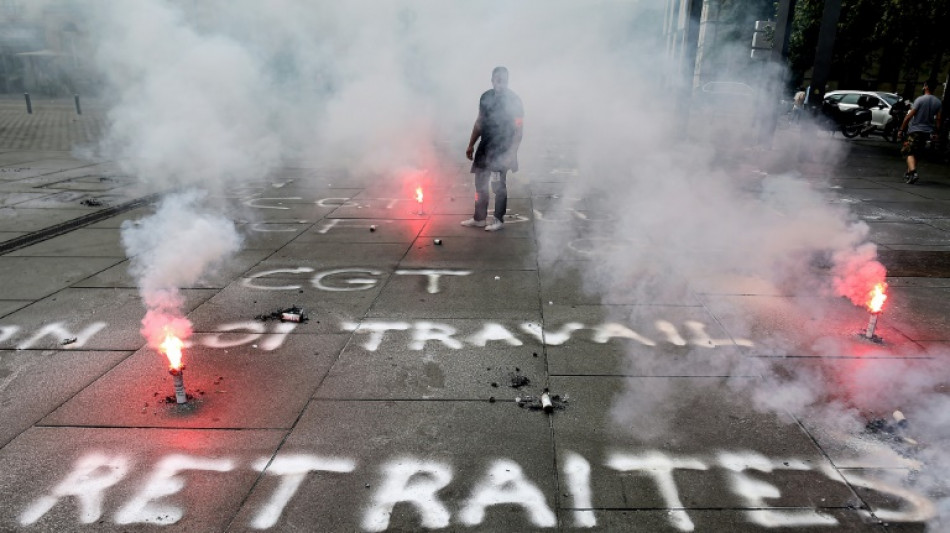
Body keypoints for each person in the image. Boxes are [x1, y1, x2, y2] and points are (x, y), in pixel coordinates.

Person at [462, 66, 524, 231]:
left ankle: (498, 219)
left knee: (498, 186)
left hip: (502, 150)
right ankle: (479, 218)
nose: (501, 83)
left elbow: (519, 130)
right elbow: (479, 122)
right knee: (480, 184)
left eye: (504, 80)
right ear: (492, 80)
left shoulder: (514, 101)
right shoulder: (485, 97)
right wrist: (471, 144)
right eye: (498, 80)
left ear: (508, 81)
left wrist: (512, 153)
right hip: (485, 147)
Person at [898, 78, 942, 184]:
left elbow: (909, 116)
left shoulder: (920, 100)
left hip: (915, 131)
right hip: (928, 132)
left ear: (925, 86)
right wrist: (936, 132)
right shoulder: (938, 102)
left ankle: (913, 172)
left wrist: (901, 129)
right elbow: (939, 119)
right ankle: (909, 174)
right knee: (916, 153)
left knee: (908, 151)